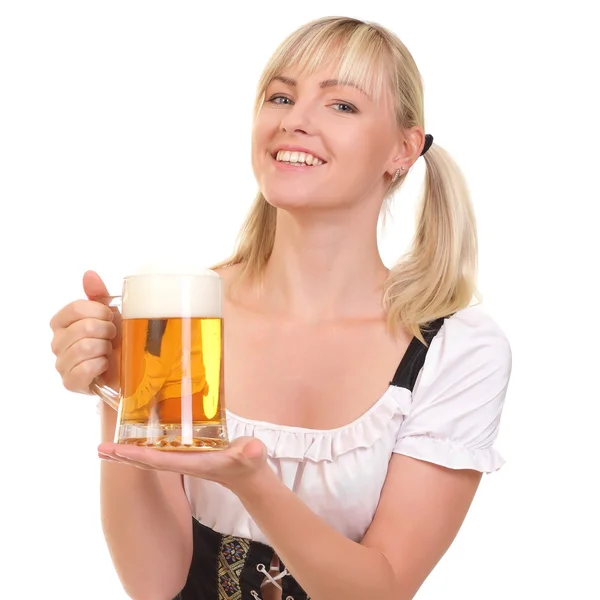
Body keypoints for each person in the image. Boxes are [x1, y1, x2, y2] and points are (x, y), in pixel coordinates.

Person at [49, 15, 512, 600]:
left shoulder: (456, 348)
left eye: (341, 105)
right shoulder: (181, 316)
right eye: (281, 96)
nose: (295, 120)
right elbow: (155, 583)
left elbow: (382, 589)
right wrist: (116, 392)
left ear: (403, 148)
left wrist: (254, 485)